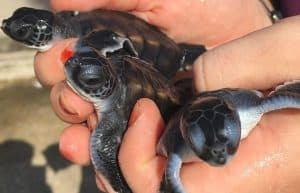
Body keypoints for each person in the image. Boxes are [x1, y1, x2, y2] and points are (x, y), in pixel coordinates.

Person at [34, 0, 300, 192]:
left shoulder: (250, 105)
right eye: (204, 149)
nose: (219, 158)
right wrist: (267, 11)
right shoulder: (177, 145)